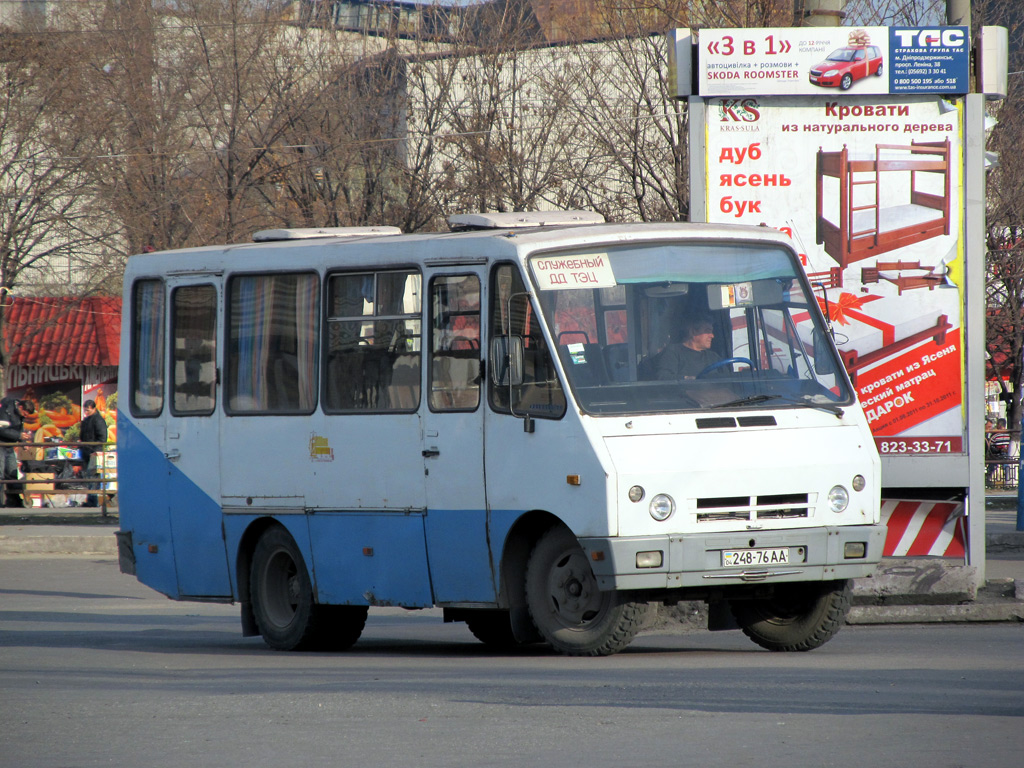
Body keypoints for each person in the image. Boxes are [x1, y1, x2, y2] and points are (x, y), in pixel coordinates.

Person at [655, 316, 722, 380]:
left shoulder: (714, 357)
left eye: (711, 331)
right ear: (693, 331)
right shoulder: (673, 352)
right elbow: (663, 378)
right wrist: (693, 380)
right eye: (707, 331)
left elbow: (728, 379)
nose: (712, 336)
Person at [0, 396, 35, 507]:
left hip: (9, 445)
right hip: (1, 444)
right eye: (24, 414)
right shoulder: (5, 410)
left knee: (12, 473)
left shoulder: (19, 415)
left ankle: (13, 500)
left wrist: (22, 440)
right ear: (20, 407)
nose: (25, 416)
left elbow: (19, 428)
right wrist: (18, 435)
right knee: (0, 474)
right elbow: (1, 429)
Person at [78, 399, 108, 507]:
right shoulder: (86, 420)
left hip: (94, 452)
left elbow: (103, 438)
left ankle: (93, 501)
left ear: (94, 408)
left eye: (88, 410)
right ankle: (90, 500)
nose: (86, 412)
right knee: (89, 477)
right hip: (86, 452)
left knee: (94, 478)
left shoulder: (98, 420)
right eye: (85, 410)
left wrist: (94, 449)